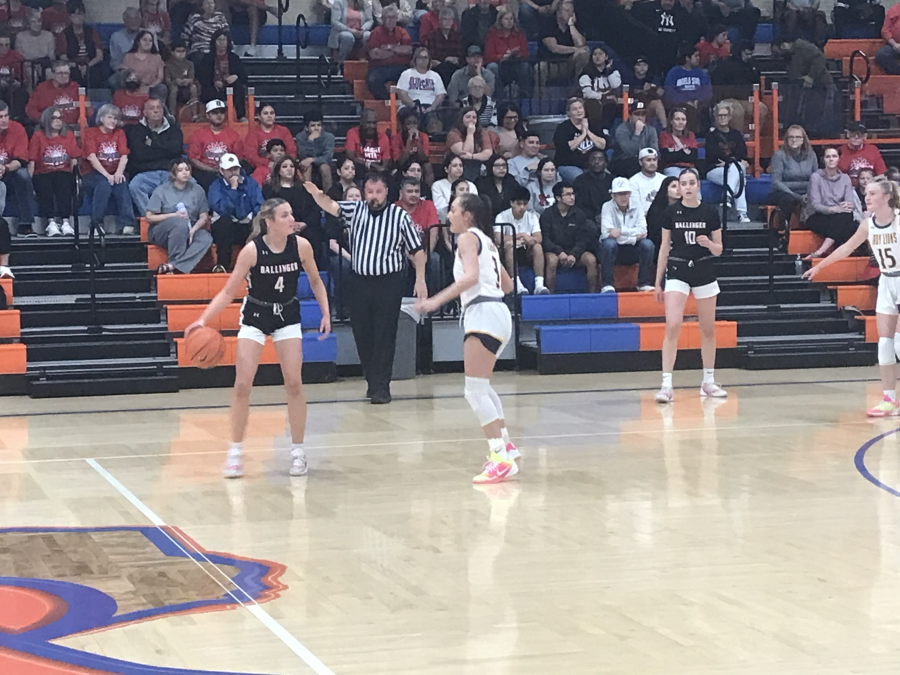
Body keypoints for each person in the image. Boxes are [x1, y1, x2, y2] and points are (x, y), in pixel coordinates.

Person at [184, 198, 330, 478]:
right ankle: (235, 452)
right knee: (242, 384)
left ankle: (298, 452)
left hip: (287, 313)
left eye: (291, 213)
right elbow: (228, 292)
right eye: (285, 215)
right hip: (255, 314)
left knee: (294, 383)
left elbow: (315, 280)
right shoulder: (252, 251)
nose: (292, 219)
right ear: (270, 221)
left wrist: (325, 312)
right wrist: (202, 320)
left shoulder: (301, 246)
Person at [414, 192, 519, 484]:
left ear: (467, 215)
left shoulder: (467, 239)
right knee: (481, 387)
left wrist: (435, 301)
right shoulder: (486, 241)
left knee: (473, 391)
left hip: (484, 312)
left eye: (453, 210)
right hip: (497, 312)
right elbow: (507, 283)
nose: (448, 215)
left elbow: (470, 277)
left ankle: (499, 456)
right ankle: (507, 446)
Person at [302, 173, 428, 404]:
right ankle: (372, 381)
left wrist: (420, 280)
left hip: (388, 282)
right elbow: (330, 206)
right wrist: (315, 193)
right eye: (370, 192)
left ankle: (382, 387)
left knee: (384, 334)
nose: (374, 197)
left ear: (387, 193)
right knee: (362, 333)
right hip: (359, 281)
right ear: (364, 193)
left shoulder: (399, 216)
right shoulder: (355, 210)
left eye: (378, 192)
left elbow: (418, 250)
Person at [803, 177, 900, 415]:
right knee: (885, 343)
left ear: (886, 197)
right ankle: (889, 399)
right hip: (887, 281)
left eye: (872, 193)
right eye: (865, 193)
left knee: (898, 342)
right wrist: (820, 266)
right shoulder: (868, 224)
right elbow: (846, 248)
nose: (866, 197)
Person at [653, 168, 726, 403]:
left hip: (704, 269)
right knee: (673, 324)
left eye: (691, 182)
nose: (687, 187)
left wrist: (708, 244)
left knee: (707, 328)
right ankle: (666, 385)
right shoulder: (670, 212)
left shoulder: (710, 212)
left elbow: (719, 249)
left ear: (697, 185)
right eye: (683, 183)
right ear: (679, 187)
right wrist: (657, 282)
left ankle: (708, 381)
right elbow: (664, 247)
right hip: (677, 269)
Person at [146, 159, 212, 274]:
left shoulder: (198, 189)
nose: (185, 173)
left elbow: (204, 216)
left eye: (187, 170)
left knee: (205, 237)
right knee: (179, 223)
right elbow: (149, 217)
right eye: (180, 170)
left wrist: (193, 230)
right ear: (173, 173)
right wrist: (173, 215)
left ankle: (173, 266)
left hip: (190, 226)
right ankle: (175, 261)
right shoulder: (162, 190)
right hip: (162, 230)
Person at [81, 104, 136, 236]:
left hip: (114, 171)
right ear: (101, 118)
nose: (113, 121)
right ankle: (96, 223)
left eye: (115, 118)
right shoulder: (91, 133)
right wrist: (107, 175)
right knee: (103, 184)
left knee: (122, 183)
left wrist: (118, 173)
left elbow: (124, 155)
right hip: (92, 172)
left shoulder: (119, 133)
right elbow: (91, 157)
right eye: (110, 117)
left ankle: (127, 223)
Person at [126, 97, 185, 217]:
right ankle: (152, 218)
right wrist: (165, 150)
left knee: (191, 183)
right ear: (145, 112)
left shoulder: (174, 129)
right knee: (135, 186)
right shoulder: (136, 131)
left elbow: (176, 150)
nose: (156, 111)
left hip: (169, 172)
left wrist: (152, 144)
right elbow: (139, 155)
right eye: (152, 108)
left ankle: (178, 218)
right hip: (145, 173)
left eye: (159, 108)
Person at [801, 146, 862, 260]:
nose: (831, 159)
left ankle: (821, 251)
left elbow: (850, 204)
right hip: (817, 217)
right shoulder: (816, 177)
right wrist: (834, 209)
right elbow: (816, 205)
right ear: (823, 159)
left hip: (838, 217)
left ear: (839, 159)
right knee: (850, 227)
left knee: (847, 215)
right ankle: (842, 249)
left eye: (834, 156)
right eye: (828, 156)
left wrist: (843, 207)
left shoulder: (845, 178)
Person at [263, 157, 325, 267]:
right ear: (278, 170)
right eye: (285, 166)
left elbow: (314, 210)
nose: (289, 169)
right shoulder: (269, 189)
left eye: (292, 166)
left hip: (303, 225)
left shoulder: (306, 189)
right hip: (279, 226)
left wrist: (303, 224)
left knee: (314, 234)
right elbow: (268, 212)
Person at [208, 153, 264, 272]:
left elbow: (259, 205)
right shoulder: (215, 186)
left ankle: (258, 266)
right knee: (225, 222)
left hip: (247, 225)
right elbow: (223, 210)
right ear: (222, 171)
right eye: (229, 169)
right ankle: (222, 265)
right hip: (226, 229)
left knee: (261, 223)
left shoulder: (250, 183)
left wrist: (255, 221)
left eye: (235, 168)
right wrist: (234, 189)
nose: (233, 172)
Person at [28, 106, 78, 238]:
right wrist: (29, 182)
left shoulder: (69, 135)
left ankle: (66, 222)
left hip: (63, 171)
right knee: (45, 184)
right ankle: (51, 223)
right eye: (54, 118)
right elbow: (32, 160)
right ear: (46, 120)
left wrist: (77, 178)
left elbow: (73, 159)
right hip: (43, 172)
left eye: (60, 118)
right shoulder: (38, 136)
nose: (58, 121)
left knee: (64, 182)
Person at [599, 177, 655, 293]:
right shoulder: (607, 206)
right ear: (613, 196)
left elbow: (643, 231)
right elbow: (606, 233)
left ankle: (643, 283)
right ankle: (607, 285)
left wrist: (620, 231)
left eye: (625, 193)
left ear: (630, 194)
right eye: (619, 194)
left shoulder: (637, 205)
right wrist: (634, 236)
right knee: (608, 244)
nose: (623, 197)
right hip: (615, 249)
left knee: (648, 244)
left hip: (632, 248)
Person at [541, 181, 597, 293]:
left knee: (591, 259)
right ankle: (550, 295)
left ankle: (593, 294)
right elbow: (546, 239)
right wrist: (559, 252)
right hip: (555, 252)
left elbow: (582, 239)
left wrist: (574, 254)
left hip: (575, 252)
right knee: (551, 260)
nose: (572, 197)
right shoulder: (547, 215)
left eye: (573, 194)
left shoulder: (579, 214)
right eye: (568, 194)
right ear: (558, 198)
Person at [495, 184, 548, 295]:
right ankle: (517, 285)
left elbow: (539, 238)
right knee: (510, 245)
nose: (522, 207)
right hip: (507, 252)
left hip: (526, 251)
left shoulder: (532, 216)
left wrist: (530, 239)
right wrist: (519, 236)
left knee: (538, 247)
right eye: (519, 204)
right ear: (511, 203)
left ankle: (539, 285)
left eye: (525, 204)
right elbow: (498, 239)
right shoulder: (501, 216)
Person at [705, 102, 750, 223]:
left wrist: (728, 163)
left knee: (738, 172)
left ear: (730, 117)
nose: (722, 118)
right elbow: (713, 156)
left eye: (725, 115)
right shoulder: (711, 136)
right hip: (714, 170)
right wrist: (732, 162)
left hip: (731, 169)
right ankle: (742, 213)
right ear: (715, 117)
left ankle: (727, 196)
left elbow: (742, 153)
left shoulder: (736, 134)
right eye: (720, 115)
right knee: (739, 174)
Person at [395, 177, 442, 293]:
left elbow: (434, 232)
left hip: (425, 250)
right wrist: (410, 256)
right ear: (401, 193)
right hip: (401, 252)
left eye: (416, 191)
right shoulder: (394, 208)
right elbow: (394, 238)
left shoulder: (428, 205)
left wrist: (425, 256)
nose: (414, 194)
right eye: (409, 191)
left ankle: (433, 301)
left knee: (435, 260)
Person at [710, 40, 767, 134]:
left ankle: (755, 138)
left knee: (761, 109)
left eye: (751, 54)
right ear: (740, 51)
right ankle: (738, 139)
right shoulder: (725, 64)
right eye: (747, 54)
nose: (749, 57)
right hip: (728, 97)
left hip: (746, 98)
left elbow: (756, 82)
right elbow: (717, 85)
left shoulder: (752, 65)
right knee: (738, 112)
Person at [188, 99, 244, 191]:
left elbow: (239, 157)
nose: (219, 115)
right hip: (205, 172)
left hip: (228, 171)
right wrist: (211, 169)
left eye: (221, 112)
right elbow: (193, 159)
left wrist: (227, 169)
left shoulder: (233, 134)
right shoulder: (198, 134)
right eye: (214, 112)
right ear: (207, 115)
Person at [537, 0, 589, 94]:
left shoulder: (576, 24)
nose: (570, 14)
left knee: (584, 54)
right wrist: (575, 49)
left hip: (568, 63)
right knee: (540, 68)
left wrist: (571, 25)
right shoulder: (548, 24)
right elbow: (554, 48)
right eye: (567, 11)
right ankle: (538, 97)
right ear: (559, 11)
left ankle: (575, 90)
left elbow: (581, 45)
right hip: (551, 64)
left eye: (572, 12)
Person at [768, 124, 817, 221]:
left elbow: (816, 178)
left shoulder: (811, 155)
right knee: (788, 199)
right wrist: (797, 197)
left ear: (803, 140)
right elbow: (776, 182)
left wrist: (810, 193)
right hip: (783, 192)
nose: (794, 140)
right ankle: (782, 229)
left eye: (798, 137)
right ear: (786, 139)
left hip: (806, 191)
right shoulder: (779, 155)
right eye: (791, 137)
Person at [553, 97, 608, 183]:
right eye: (575, 109)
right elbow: (566, 148)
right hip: (569, 166)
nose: (579, 111)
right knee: (582, 179)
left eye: (580, 108)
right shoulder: (563, 128)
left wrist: (587, 131)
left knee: (608, 177)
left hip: (593, 165)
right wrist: (583, 135)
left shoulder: (594, 124)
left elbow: (603, 145)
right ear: (568, 113)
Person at [0, 102, 35, 238]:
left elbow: (20, 160)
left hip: (9, 170)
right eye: (0, 117)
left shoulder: (17, 129)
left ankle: (26, 225)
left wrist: (5, 168)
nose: (4, 120)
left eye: (6, 116)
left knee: (23, 176)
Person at [365, 5, 413, 100]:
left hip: (400, 68)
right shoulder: (376, 32)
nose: (391, 20)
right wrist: (397, 50)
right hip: (379, 68)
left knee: (412, 77)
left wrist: (389, 47)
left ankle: (406, 101)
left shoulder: (402, 31)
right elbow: (374, 54)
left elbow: (408, 50)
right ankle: (387, 100)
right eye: (388, 17)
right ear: (382, 19)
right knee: (371, 79)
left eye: (393, 17)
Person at [198, 30, 248, 121]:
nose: (222, 42)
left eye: (224, 40)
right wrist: (214, 81)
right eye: (219, 40)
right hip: (214, 87)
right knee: (208, 90)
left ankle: (240, 116)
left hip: (230, 86)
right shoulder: (207, 58)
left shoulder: (234, 58)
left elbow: (244, 76)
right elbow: (202, 76)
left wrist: (235, 76)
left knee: (239, 88)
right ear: (214, 42)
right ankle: (210, 116)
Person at [56, 1, 106, 90]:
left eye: (80, 14)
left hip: (90, 64)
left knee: (95, 75)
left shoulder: (92, 32)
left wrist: (87, 66)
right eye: (74, 15)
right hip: (72, 65)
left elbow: (99, 56)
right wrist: (75, 65)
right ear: (70, 17)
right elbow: (63, 57)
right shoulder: (64, 34)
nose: (78, 17)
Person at [483, 6, 531, 98]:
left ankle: (524, 94)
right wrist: (503, 56)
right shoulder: (492, 33)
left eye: (511, 19)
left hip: (515, 64)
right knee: (492, 67)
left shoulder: (519, 33)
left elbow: (525, 53)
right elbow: (488, 56)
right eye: (506, 19)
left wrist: (518, 54)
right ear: (500, 20)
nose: (509, 22)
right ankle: (498, 96)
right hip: (500, 65)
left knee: (525, 66)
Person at [663, 43, 712, 130]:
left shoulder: (701, 73)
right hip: (679, 105)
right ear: (687, 58)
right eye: (696, 56)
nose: (699, 58)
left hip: (699, 105)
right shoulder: (674, 72)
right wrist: (686, 101)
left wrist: (697, 100)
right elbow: (669, 92)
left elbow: (707, 90)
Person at [446, 106, 499, 182]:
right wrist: (470, 133)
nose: (471, 120)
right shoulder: (453, 134)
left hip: (477, 169)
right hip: (459, 169)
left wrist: (472, 156)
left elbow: (487, 153)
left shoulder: (482, 132)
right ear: (461, 119)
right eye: (468, 117)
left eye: (474, 117)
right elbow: (465, 153)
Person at [394, 47, 447, 121]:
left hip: (430, 107)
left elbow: (441, 95)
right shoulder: (406, 74)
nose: (423, 60)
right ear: (415, 59)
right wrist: (415, 107)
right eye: (420, 57)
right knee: (410, 117)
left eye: (426, 58)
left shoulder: (435, 76)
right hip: (410, 107)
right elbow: (402, 94)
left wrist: (432, 108)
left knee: (435, 119)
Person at [25, 60, 83, 126]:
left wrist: (83, 118)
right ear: (52, 74)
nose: (64, 76)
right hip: (48, 127)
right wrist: (45, 119)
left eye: (66, 73)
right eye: (60, 73)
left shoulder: (75, 87)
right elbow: (30, 109)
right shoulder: (42, 88)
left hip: (72, 127)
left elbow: (86, 107)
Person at [610, 99, 658, 178]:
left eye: (643, 114)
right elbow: (631, 152)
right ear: (630, 115)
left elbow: (654, 150)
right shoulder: (621, 129)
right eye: (637, 114)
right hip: (621, 162)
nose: (640, 117)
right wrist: (637, 133)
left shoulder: (651, 130)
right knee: (633, 163)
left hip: (644, 162)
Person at [244, 102, 297, 173]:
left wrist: (284, 164)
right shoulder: (253, 134)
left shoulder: (283, 131)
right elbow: (250, 155)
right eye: (265, 113)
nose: (269, 116)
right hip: (262, 168)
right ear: (259, 116)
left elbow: (292, 151)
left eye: (272, 113)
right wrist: (268, 163)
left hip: (284, 166)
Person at [579, 45, 622, 132]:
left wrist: (608, 71)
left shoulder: (613, 72)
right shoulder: (586, 73)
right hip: (594, 101)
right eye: (595, 54)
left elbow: (616, 86)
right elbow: (587, 93)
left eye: (600, 54)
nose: (597, 57)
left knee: (611, 104)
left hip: (611, 103)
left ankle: (605, 131)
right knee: (592, 104)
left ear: (606, 57)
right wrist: (603, 97)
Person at [118, 29, 167, 100]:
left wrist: (149, 87)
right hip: (132, 87)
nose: (147, 42)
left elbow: (160, 78)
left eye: (150, 41)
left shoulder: (157, 57)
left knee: (162, 88)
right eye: (144, 40)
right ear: (138, 42)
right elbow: (124, 75)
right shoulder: (128, 56)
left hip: (151, 88)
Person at [390, 109, 433, 188]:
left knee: (428, 167)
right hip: (403, 164)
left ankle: (427, 190)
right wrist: (409, 141)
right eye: (408, 124)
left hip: (418, 162)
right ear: (402, 125)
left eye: (415, 124)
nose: (412, 127)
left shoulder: (423, 136)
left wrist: (417, 140)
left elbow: (424, 158)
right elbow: (400, 161)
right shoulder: (396, 138)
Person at [294, 110, 334, 193]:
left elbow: (328, 157)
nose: (316, 128)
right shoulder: (300, 137)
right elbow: (303, 156)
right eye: (313, 125)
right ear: (306, 127)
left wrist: (312, 159)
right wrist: (310, 141)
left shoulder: (329, 137)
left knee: (325, 167)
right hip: (307, 165)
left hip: (322, 164)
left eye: (319, 125)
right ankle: (308, 196)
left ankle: (329, 197)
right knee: (306, 166)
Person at [181, 0, 229, 67]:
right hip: (199, 49)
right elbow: (185, 36)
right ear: (201, 6)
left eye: (212, 3)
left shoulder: (220, 17)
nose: (210, 5)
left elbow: (227, 34)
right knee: (200, 58)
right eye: (207, 3)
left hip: (216, 48)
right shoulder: (194, 17)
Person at [572, 148, 613, 225]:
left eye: (600, 159)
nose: (596, 162)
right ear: (588, 163)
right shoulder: (579, 181)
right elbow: (577, 206)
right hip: (588, 220)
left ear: (606, 163)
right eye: (593, 159)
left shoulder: (613, 181)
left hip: (611, 218)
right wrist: (594, 217)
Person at [622, 55, 667, 125]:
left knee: (658, 103)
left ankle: (666, 130)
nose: (642, 67)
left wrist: (652, 88)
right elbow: (623, 96)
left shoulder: (652, 78)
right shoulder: (628, 79)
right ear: (634, 67)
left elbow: (661, 92)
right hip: (631, 109)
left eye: (644, 65)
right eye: (639, 65)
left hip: (647, 108)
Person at [425, 7, 464, 87]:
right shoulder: (432, 36)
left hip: (455, 66)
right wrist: (445, 59)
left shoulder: (457, 36)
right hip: (438, 67)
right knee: (444, 68)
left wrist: (456, 60)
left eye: (450, 19)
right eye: (445, 19)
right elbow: (431, 55)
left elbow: (461, 54)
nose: (448, 22)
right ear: (439, 21)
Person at [345, 108, 391, 174]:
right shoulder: (352, 133)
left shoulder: (383, 138)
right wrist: (369, 165)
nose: (371, 126)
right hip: (358, 172)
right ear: (361, 122)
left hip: (377, 174)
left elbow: (384, 164)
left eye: (374, 123)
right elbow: (350, 156)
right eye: (368, 123)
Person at [433, 154, 478, 222]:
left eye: (460, 165)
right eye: (455, 166)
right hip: (446, 219)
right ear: (446, 169)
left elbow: (475, 205)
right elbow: (440, 208)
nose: (458, 168)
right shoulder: (438, 185)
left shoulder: (471, 185)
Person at [658, 107, 698, 178]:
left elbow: (693, 157)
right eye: (677, 119)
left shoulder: (690, 135)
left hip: (689, 168)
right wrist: (684, 152)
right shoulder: (664, 135)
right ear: (671, 121)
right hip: (672, 168)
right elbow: (666, 157)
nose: (680, 122)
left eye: (683, 119)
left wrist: (675, 153)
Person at [646, 175, 679, 256]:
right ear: (666, 190)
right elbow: (653, 234)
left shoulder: (686, 208)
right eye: (674, 186)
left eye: (680, 186)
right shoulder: (656, 210)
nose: (678, 189)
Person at [164, 41, 199, 116]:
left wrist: (187, 81)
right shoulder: (167, 64)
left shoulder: (189, 64)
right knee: (174, 88)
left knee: (193, 87)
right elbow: (167, 80)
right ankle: (172, 114)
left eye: (183, 51)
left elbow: (192, 78)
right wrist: (176, 81)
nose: (181, 54)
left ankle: (194, 114)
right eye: (178, 51)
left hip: (186, 88)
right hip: (172, 89)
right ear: (172, 52)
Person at [628, 148, 665, 215]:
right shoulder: (633, 181)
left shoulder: (664, 179)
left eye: (654, 160)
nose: (652, 163)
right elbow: (635, 208)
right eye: (648, 160)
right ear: (640, 162)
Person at [0, 36, 25, 123]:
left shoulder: (16, 56)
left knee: (21, 93)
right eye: (1, 45)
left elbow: (23, 75)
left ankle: (15, 119)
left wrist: (18, 82)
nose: (4, 48)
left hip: (12, 85)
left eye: (7, 45)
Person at [109, 8, 144, 72]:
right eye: (130, 19)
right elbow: (115, 62)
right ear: (125, 21)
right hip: (125, 72)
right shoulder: (116, 37)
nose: (134, 21)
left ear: (140, 20)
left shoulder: (149, 35)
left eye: (136, 18)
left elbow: (156, 58)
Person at [877, 6, 900, 74]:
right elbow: (885, 31)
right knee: (881, 54)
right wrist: (895, 45)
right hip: (894, 45)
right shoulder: (893, 10)